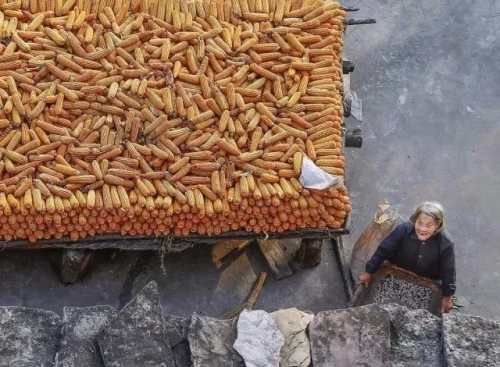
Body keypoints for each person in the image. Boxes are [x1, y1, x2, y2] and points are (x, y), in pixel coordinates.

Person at [358, 201, 456, 313]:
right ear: (415, 220)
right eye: (419, 223)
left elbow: (448, 270)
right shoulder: (404, 230)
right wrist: (369, 271)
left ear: (437, 225)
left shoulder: (445, 243)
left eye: (429, 225)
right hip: (398, 266)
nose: (422, 229)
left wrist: (447, 296)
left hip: (428, 276)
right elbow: (384, 249)